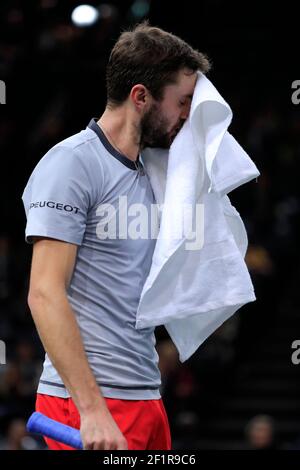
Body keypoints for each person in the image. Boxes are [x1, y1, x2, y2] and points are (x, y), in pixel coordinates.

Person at [22, 21, 210, 451]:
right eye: (182, 102)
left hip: (145, 395)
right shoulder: (71, 164)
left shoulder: (158, 172)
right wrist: (91, 411)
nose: (187, 115)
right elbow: (44, 293)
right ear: (141, 96)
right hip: (87, 404)